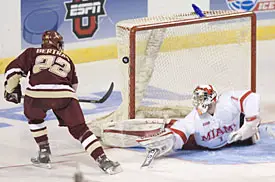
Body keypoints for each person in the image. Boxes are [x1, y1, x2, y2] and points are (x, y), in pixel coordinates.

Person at [4, 30, 122, 174]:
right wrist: (62, 100)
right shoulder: (67, 59)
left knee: (35, 119)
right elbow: (73, 87)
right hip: (65, 95)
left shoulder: (32, 52)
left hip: (36, 95)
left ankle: (44, 153)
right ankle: (104, 161)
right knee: (80, 129)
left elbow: (12, 71)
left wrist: (11, 90)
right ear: (58, 44)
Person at [137, 84, 261, 159]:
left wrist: (250, 123)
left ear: (213, 99)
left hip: (232, 140)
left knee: (250, 136)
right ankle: (149, 133)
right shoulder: (194, 117)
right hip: (199, 145)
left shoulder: (227, 101)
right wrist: (171, 140)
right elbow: (182, 128)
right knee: (173, 132)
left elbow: (251, 97)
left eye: (203, 100)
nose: (201, 104)